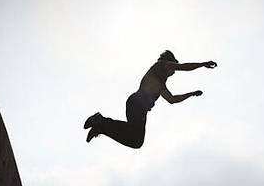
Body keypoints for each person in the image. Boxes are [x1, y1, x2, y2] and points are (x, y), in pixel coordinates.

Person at [83, 50, 217, 148]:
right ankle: (101, 122)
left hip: (138, 107)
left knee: (136, 140)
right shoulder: (160, 65)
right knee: (135, 138)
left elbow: (172, 99)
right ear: (169, 63)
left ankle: (101, 126)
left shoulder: (161, 84)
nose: (173, 72)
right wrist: (202, 64)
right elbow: (183, 67)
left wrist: (191, 94)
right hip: (137, 104)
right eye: (173, 69)